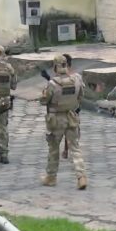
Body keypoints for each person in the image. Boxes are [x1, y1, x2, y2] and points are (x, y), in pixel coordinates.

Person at [40, 54, 87, 190]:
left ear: (55, 67)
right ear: (66, 65)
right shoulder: (77, 79)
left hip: (56, 120)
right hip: (72, 116)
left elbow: (44, 100)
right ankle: (81, 176)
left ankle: (51, 177)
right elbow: (81, 96)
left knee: (54, 149)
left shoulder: (52, 84)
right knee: (75, 148)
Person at [61, 54, 83, 160]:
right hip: (74, 108)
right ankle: (71, 150)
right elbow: (81, 94)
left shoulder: (57, 79)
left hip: (62, 108)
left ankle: (66, 150)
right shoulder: (78, 77)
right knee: (74, 128)